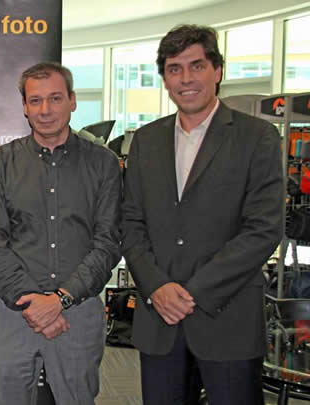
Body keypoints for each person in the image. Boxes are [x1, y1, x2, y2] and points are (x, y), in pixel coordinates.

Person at [121, 24, 283, 405]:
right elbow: (130, 222)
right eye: (175, 69)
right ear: (164, 78)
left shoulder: (257, 137)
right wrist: (157, 287)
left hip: (228, 319)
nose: (186, 78)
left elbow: (263, 229)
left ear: (218, 71)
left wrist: (193, 293)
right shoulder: (145, 140)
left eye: (196, 66)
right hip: (159, 318)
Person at [0, 62, 121, 404]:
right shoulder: (0, 163)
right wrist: (32, 303)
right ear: (24, 107)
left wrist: (61, 299)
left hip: (79, 313)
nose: (45, 110)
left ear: (72, 100)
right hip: (14, 313)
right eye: (36, 101)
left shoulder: (103, 164)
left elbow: (109, 241)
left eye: (55, 99)